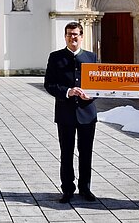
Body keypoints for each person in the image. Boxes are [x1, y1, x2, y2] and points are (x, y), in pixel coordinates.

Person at [44, 21, 98, 203]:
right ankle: (67, 188)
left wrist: (90, 97)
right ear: (65, 36)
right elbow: (49, 84)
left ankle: (85, 188)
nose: (72, 37)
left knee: (86, 152)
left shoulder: (91, 57)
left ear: (82, 36)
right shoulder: (56, 57)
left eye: (75, 34)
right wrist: (67, 92)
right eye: (69, 34)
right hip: (65, 113)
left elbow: (100, 86)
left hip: (87, 113)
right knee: (66, 152)